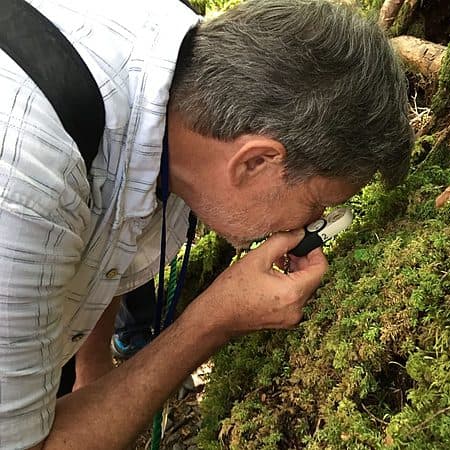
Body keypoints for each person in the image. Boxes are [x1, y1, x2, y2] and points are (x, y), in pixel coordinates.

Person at [0, 0, 413, 448]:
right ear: (255, 161)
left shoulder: (182, 79)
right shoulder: (27, 183)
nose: (311, 225)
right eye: (317, 204)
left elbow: (115, 218)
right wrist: (212, 321)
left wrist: (92, 363)